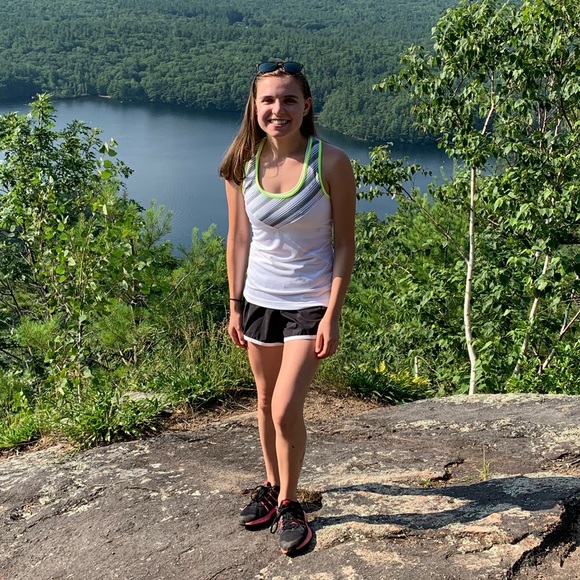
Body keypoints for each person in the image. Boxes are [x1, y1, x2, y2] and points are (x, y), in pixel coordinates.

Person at [219, 60, 356, 555]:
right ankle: (272, 483)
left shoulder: (330, 162)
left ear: (307, 105)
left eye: (289, 99)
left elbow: (345, 244)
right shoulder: (242, 163)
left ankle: (290, 502)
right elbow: (238, 239)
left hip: (309, 304)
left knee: (283, 409)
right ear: (255, 106)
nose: (278, 110)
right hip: (259, 300)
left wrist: (332, 314)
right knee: (263, 401)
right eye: (269, 100)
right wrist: (235, 305)